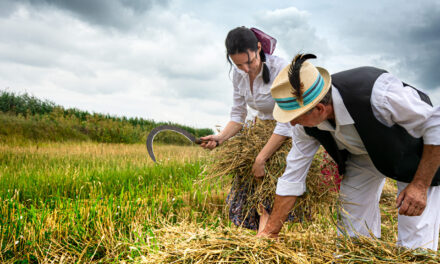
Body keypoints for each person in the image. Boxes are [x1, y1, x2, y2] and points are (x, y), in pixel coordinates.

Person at [257, 53, 440, 251]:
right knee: (352, 229)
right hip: (362, 156)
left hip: (413, 151)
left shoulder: (378, 93)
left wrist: (421, 184)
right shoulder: (304, 127)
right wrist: (270, 232)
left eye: (295, 117)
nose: (291, 123)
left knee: (414, 238)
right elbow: (292, 177)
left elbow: (436, 125)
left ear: (319, 108)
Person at [200, 26, 292, 232]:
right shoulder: (238, 74)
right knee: (253, 191)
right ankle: (262, 237)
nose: (245, 69)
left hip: (285, 135)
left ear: (259, 48)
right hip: (258, 133)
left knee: (269, 185)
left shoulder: (281, 70)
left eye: (249, 62)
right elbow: (238, 116)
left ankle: (266, 237)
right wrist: (220, 138)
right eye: (238, 64)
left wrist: (261, 158)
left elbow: (286, 123)